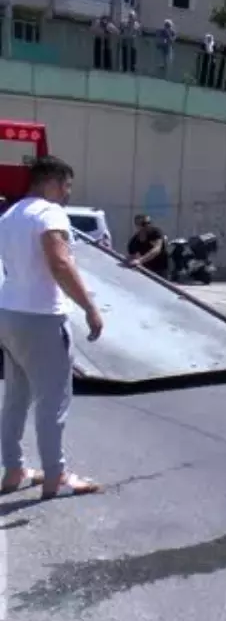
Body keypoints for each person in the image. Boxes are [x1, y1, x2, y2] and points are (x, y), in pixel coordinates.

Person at [0, 156, 103, 499]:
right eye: (66, 185)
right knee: (53, 400)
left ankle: (13, 469)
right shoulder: (49, 212)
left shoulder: (11, 214)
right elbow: (59, 262)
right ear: (51, 181)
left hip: (9, 313)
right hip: (43, 317)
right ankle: (55, 477)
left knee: (15, 397)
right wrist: (89, 307)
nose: (67, 193)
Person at [126, 214, 170, 278]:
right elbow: (132, 256)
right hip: (147, 271)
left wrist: (140, 260)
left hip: (161, 269)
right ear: (137, 226)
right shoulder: (134, 241)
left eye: (149, 223)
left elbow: (157, 249)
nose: (148, 226)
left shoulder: (155, 232)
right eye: (144, 224)